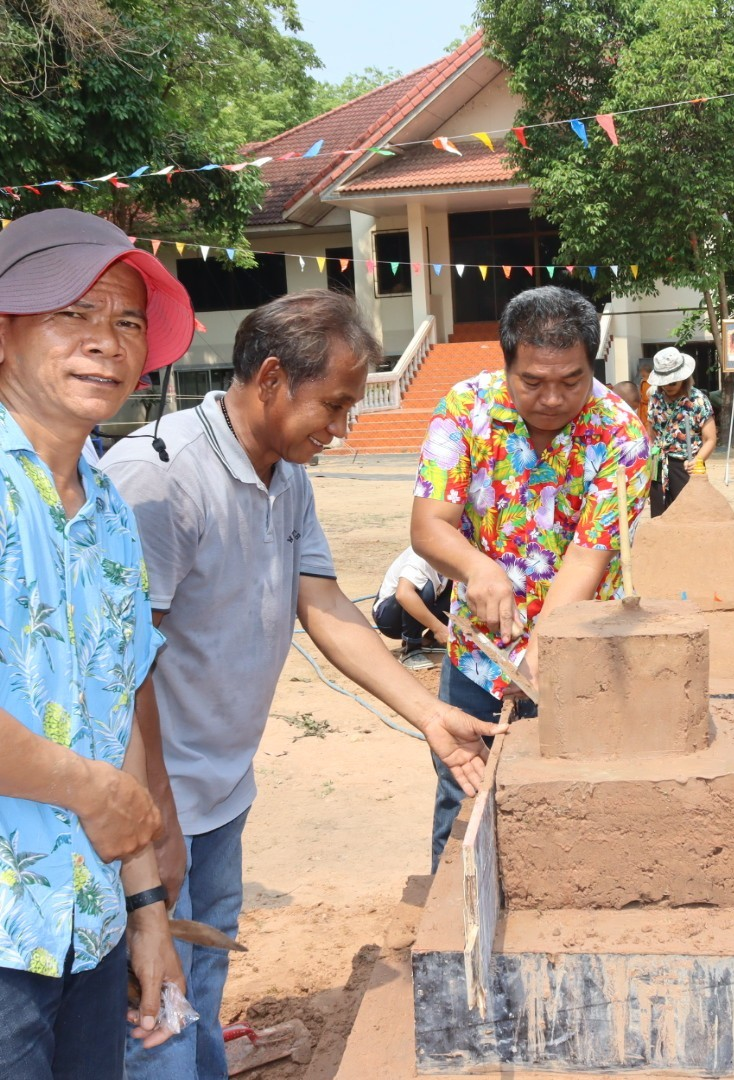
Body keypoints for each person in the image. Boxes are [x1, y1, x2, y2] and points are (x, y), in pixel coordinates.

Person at [101, 289, 508, 1080]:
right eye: (336, 403)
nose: (344, 426)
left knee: (201, 997)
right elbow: (123, 661)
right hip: (149, 805)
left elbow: (322, 602)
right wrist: (156, 821)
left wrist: (429, 712)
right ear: (273, 378)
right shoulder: (160, 481)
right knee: (152, 1017)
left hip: (219, 791)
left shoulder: (288, 479)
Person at [0, 208, 193, 1077]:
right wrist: (88, 787)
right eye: (71, 314)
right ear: (4, 336)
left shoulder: (110, 507)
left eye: (124, 322)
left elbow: (119, 699)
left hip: (90, 929)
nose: (105, 343)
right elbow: (104, 780)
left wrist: (147, 911)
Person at [411, 286, 649, 870]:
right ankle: (452, 908)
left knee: (575, 793)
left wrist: (542, 646)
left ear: (594, 362)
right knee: (463, 788)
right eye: (532, 381)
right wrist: (476, 566)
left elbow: (587, 558)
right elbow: (429, 525)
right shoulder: (464, 410)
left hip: (578, 648)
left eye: (571, 381)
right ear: (507, 361)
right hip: (477, 651)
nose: (551, 398)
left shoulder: (621, 435)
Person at [646, 347, 716, 517]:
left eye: (672, 382)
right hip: (659, 465)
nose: (667, 387)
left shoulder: (698, 400)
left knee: (688, 516)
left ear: (683, 379)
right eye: (663, 382)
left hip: (686, 465)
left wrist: (697, 461)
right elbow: (650, 434)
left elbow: (710, 438)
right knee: (660, 517)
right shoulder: (655, 397)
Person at [373, 546, 451, 670]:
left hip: (421, 609)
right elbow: (403, 594)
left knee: (461, 585)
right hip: (389, 618)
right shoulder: (420, 555)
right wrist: (439, 628)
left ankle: (428, 641)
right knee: (425, 588)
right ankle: (411, 649)